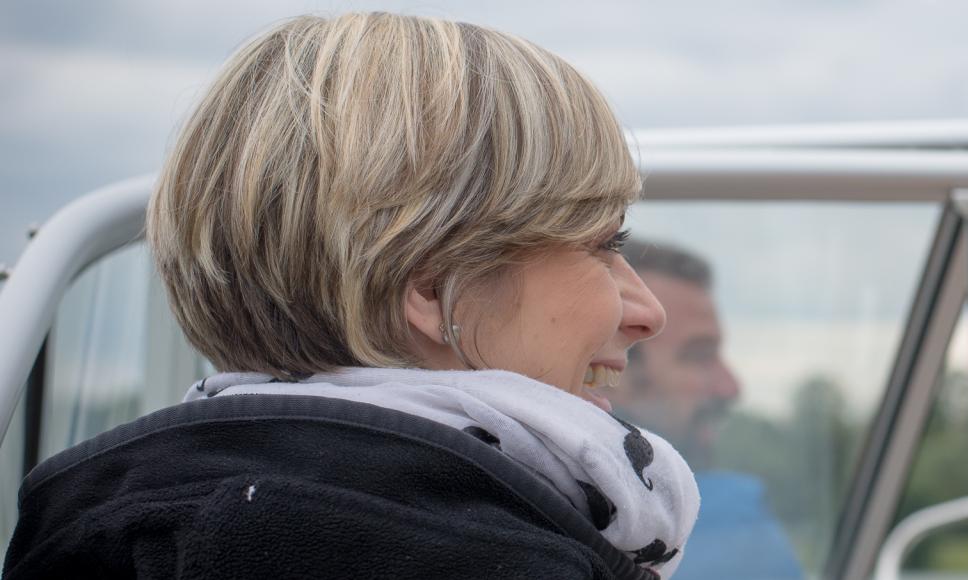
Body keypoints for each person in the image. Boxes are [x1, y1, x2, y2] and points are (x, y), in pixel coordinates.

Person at [6, 12, 696, 579]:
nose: (646, 312)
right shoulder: (465, 557)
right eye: (602, 245)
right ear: (432, 286)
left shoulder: (93, 526)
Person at [611, 240, 806, 579]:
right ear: (613, 368)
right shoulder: (730, 524)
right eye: (699, 355)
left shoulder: (519, 512)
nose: (730, 386)